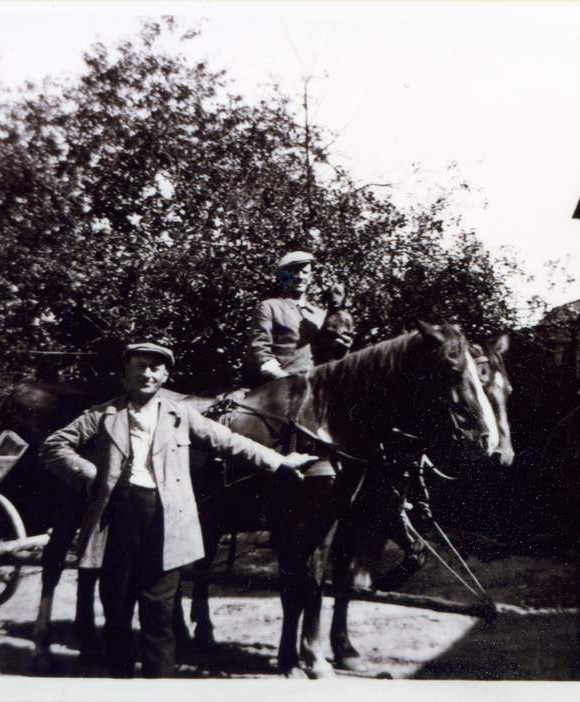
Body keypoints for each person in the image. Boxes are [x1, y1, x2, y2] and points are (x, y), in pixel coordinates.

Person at [42, 342, 318, 678]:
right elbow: (54, 445)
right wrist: (89, 473)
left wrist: (278, 461)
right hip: (116, 519)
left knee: (159, 615)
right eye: (140, 366)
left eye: (155, 368)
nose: (147, 373)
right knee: (116, 612)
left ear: (165, 376)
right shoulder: (104, 415)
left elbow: (229, 441)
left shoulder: (182, 415)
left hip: (166, 520)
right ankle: (120, 681)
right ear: (126, 373)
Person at [247, 251, 353, 387]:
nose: (299, 277)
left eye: (304, 272)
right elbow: (259, 350)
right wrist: (283, 378)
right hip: (280, 387)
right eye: (293, 272)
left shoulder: (321, 315)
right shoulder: (270, 307)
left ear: (310, 276)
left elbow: (329, 358)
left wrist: (340, 350)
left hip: (317, 387)